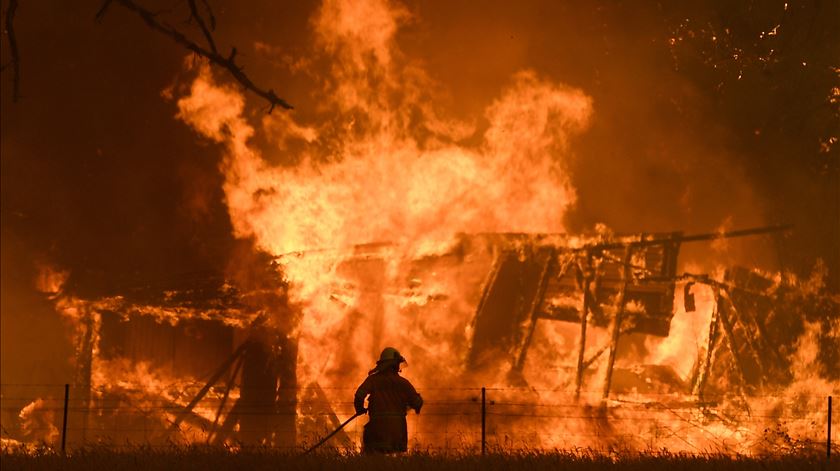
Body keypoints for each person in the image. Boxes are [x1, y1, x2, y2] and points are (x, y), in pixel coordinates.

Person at [354, 347, 423, 453]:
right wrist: (417, 402)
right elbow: (416, 402)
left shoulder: (373, 380)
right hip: (397, 431)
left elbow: (359, 396)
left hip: (377, 430)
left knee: (373, 462)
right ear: (394, 365)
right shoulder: (403, 383)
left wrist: (359, 409)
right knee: (393, 464)